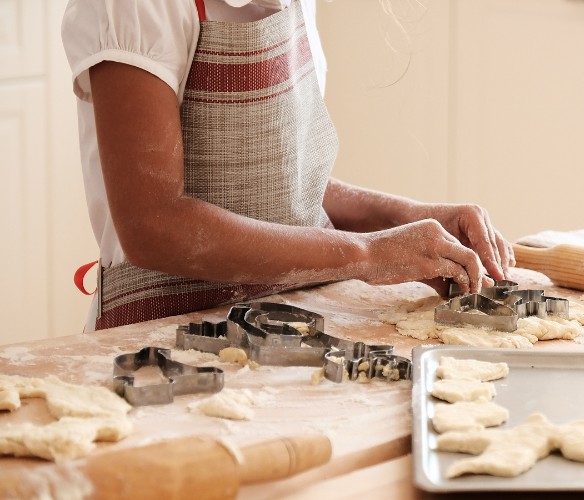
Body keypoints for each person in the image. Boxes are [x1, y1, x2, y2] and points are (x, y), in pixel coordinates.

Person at [62, 0, 513, 331]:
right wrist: (368, 254)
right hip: (159, 338)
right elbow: (152, 225)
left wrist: (404, 215)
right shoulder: (135, 7)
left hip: (292, 328)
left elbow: (279, 181)